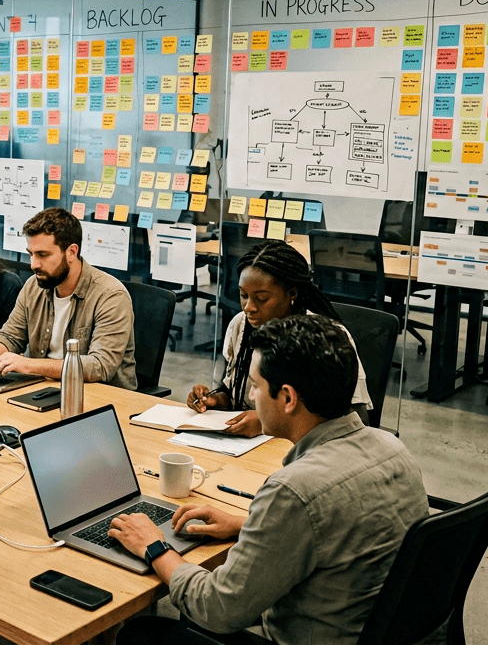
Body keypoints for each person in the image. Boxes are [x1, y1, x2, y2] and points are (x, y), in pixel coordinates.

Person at [109, 315, 428, 645]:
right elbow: (337, 532)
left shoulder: (295, 490)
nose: (250, 394)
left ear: (288, 398)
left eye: (256, 386)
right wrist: (245, 524)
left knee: (140, 635)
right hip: (374, 632)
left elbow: (216, 609)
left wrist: (154, 546)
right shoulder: (393, 449)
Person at [186, 240, 373, 437]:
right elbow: (235, 392)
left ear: (292, 293)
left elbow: (355, 421)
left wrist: (267, 420)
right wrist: (217, 400)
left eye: (261, 298)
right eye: (243, 295)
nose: (248, 307)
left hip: (303, 450)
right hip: (247, 445)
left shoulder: (324, 338)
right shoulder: (240, 325)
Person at [0, 207, 137, 391]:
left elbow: (99, 366)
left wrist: (27, 364)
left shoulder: (111, 296)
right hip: (43, 390)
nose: (33, 264)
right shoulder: (34, 286)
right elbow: (9, 336)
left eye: (43, 255)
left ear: (71, 252)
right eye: (31, 254)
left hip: (99, 398)